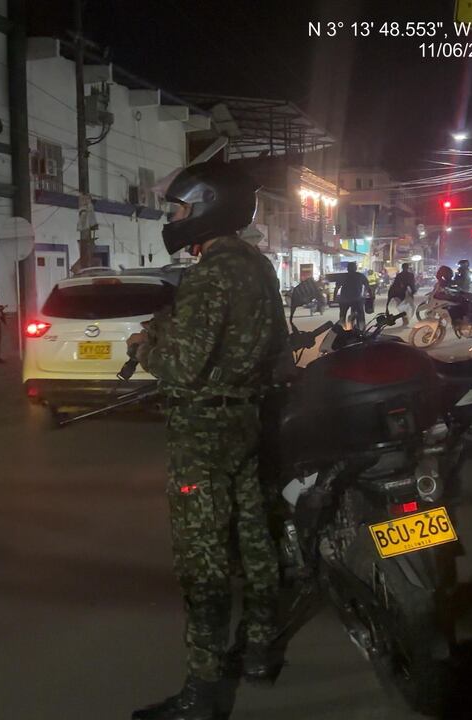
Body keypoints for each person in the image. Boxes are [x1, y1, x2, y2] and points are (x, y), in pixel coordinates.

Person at [125, 161, 289, 720]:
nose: (173, 218)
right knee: (254, 536)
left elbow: (181, 365)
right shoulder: (257, 266)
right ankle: (261, 650)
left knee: (203, 560)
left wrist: (144, 347)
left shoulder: (209, 274)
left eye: (178, 208)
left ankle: (203, 691)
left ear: (206, 207)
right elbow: (276, 348)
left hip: (202, 432)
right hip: (246, 419)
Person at [336, 261, 367, 329]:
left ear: (347, 268)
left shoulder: (343, 276)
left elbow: (337, 287)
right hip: (357, 299)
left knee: (342, 315)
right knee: (361, 314)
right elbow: (367, 286)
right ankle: (362, 328)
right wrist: (368, 295)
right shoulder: (360, 276)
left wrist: (334, 297)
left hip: (344, 300)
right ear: (356, 268)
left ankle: (342, 328)